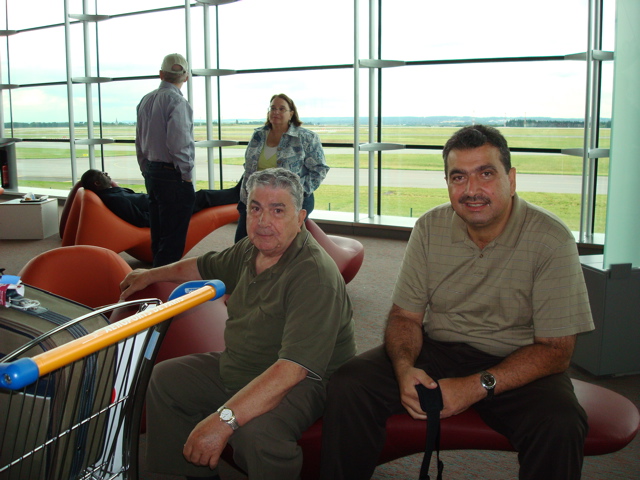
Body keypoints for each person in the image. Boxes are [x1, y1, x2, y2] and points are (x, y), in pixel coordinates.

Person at [319, 125, 595, 480]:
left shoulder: (550, 238)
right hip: (440, 349)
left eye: (486, 174)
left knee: (561, 424)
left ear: (511, 179)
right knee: (350, 385)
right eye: (459, 177)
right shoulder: (430, 228)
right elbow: (405, 317)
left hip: (519, 359)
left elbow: (557, 350)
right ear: (447, 183)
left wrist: (476, 385)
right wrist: (404, 370)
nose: (472, 190)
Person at [120, 167, 356, 480]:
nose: (263, 221)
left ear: (300, 219)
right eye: (255, 208)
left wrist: (222, 420)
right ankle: (189, 473)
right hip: (246, 364)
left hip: (307, 381)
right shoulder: (251, 249)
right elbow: (203, 266)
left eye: (277, 210)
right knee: (166, 380)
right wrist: (149, 274)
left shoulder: (314, 275)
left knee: (257, 433)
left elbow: (292, 369)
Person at [235, 93, 329, 242]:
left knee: (279, 244)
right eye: (273, 108)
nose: (276, 112)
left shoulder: (306, 137)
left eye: (281, 108)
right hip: (256, 200)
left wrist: (299, 191)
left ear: (291, 113)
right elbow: (249, 168)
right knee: (242, 243)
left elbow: (320, 169)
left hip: (291, 202)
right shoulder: (258, 135)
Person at [136, 53, 195, 267]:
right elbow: (179, 144)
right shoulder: (177, 102)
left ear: (161, 74)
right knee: (172, 239)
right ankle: (163, 288)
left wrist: (146, 169)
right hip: (172, 176)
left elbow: (139, 140)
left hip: (152, 172)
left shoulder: (146, 100)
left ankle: (153, 277)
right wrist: (186, 177)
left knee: (158, 233)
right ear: (186, 77)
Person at [80, 169, 240, 229]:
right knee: (202, 196)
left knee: (199, 196)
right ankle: (236, 194)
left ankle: (236, 193)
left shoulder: (111, 193)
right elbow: (140, 219)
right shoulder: (114, 198)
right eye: (103, 174)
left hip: (163, 204)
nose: (107, 173)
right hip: (165, 212)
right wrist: (162, 216)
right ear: (97, 183)